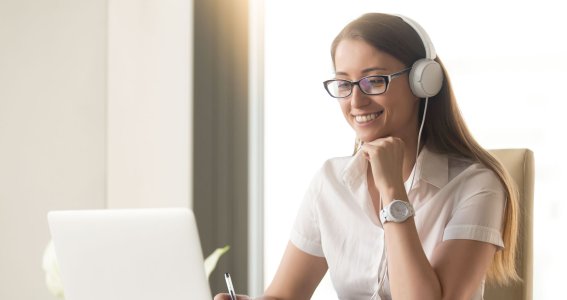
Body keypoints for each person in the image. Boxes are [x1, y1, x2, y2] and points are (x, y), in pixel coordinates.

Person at [215, 12, 519, 300]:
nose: (356, 101)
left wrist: (392, 192)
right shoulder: (331, 181)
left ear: (422, 82)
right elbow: (284, 294)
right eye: (344, 84)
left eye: (374, 81)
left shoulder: (477, 185)